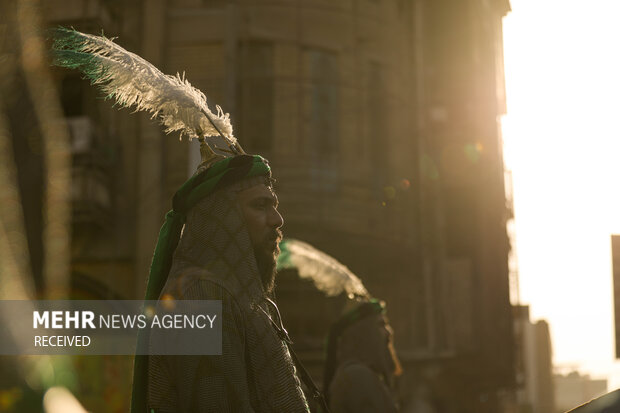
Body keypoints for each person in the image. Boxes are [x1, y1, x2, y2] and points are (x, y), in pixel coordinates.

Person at [131, 153, 310, 412]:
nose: (277, 219)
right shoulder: (203, 296)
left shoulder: (231, 294)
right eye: (260, 205)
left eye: (274, 205)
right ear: (222, 216)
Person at [323, 300, 402, 413]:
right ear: (363, 333)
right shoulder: (356, 376)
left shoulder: (363, 374)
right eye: (381, 324)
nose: (389, 332)